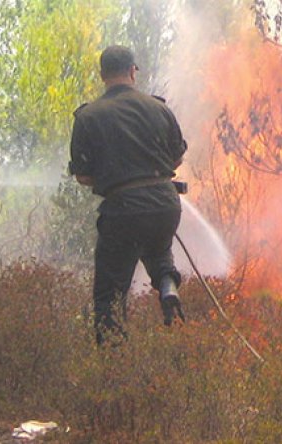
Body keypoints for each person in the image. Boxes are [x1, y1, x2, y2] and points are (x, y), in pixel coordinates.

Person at [69, 45, 187, 345]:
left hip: (122, 209)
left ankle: (114, 361)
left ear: (102, 75)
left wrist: (113, 178)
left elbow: (82, 175)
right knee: (158, 251)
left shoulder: (88, 116)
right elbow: (177, 158)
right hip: (165, 204)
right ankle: (167, 285)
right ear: (133, 71)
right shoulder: (159, 108)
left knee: (110, 293)